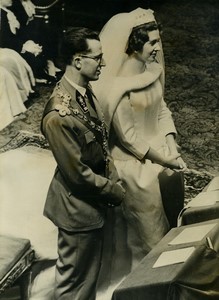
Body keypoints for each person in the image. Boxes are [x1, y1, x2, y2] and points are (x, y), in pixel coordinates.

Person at [92, 7, 187, 267]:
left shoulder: (153, 71)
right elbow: (130, 140)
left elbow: (161, 109)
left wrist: (170, 143)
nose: (158, 48)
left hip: (162, 155)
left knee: (174, 213)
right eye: (152, 42)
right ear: (134, 45)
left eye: (158, 41)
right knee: (150, 231)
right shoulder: (119, 89)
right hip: (135, 166)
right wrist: (165, 161)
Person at [41, 27, 125, 300]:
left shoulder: (82, 92)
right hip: (76, 210)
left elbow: (99, 141)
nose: (104, 63)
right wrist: (114, 191)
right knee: (73, 285)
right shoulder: (59, 114)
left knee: (87, 279)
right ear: (78, 61)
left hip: (90, 203)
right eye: (98, 57)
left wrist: (112, 174)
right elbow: (77, 175)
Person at [0, 0, 55, 83]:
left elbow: (17, 33)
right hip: (6, 47)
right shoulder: (2, 15)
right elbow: (5, 40)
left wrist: (28, 42)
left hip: (15, 43)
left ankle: (41, 72)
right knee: (30, 57)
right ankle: (37, 76)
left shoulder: (8, 12)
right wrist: (22, 47)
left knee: (37, 49)